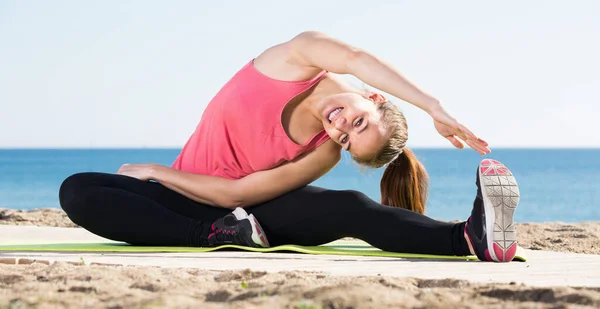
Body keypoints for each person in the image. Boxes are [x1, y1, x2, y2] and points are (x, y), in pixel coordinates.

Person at [59, 31, 520, 262]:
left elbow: (238, 196)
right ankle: (209, 236)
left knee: (349, 206)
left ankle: (469, 237)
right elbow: (358, 58)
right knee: (77, 190)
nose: (340, 127)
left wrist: (155, 169)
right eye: (357, 120)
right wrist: (433, 106)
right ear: (373, 95)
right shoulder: (297, 58)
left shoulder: (323, 150)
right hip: (182, 206)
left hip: (244, 218)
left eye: (347, 138)